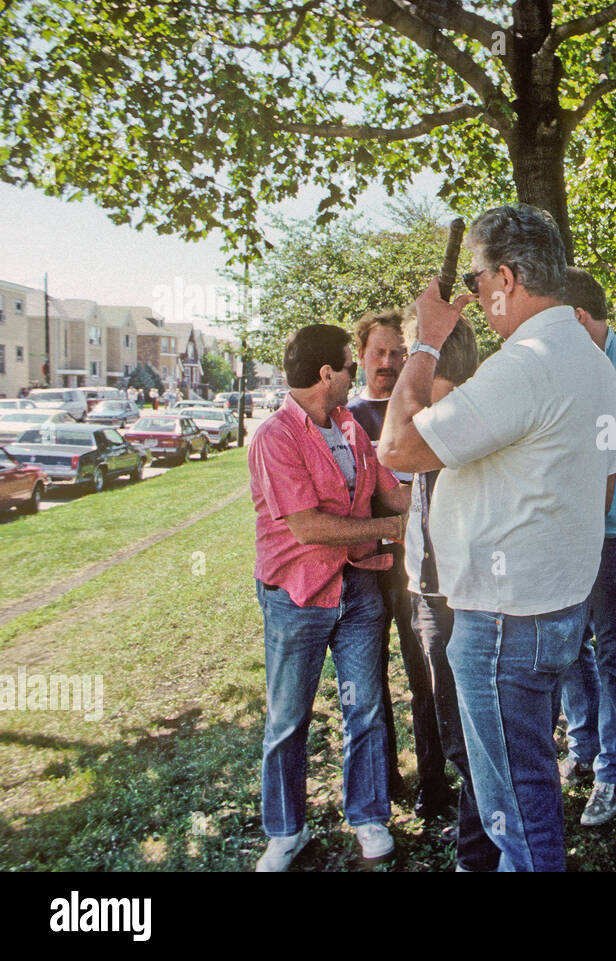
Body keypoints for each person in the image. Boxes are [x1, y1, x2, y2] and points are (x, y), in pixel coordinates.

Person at [378, 204, 616, 871]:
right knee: (531, 788)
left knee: (513, 814)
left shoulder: (526, 363)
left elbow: (398, 447)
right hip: (556, 609)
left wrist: (427, 340)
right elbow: (599, 489)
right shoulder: (592, 362)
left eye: (482, 278)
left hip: (504, 620)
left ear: (509, 278)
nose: (476, 294)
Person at [248, 323, 410, 871]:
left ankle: (367, 816)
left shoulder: (351, 428)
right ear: (326, 374)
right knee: (288, 718)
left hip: (359, 588)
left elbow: (389, 490)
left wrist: (442, 493)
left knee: (363, 708)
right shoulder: (275, 437)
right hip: (297, 596)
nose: (354, 375)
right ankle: (286, 831)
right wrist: (390, 528)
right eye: (348, 366)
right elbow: (307, 527)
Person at [555, 267, 616, 827]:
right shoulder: (565, 363)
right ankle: (584, 747)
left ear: (580, 319)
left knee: (615, 651)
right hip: (564, 534)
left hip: (615, 537)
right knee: (568, 647)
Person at [345, 309, 451, 819]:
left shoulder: (420, 410)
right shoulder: (345, 417)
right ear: (361, 356)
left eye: (396, 353)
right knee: (369, 682)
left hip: (414, 565)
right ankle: (383, 779)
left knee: (424, 675)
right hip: (362, 568)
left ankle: (433, 782)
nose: (387, 363)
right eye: (378, 353)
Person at [400, 315, 497, 870]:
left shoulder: (456, 423)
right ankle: (480, 843)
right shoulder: (440, 419)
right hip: (431, 593)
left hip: (459, 600)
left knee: (470, 737)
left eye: (420, 358)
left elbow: (396, 447)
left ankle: (481, 852)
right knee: (460, 733)